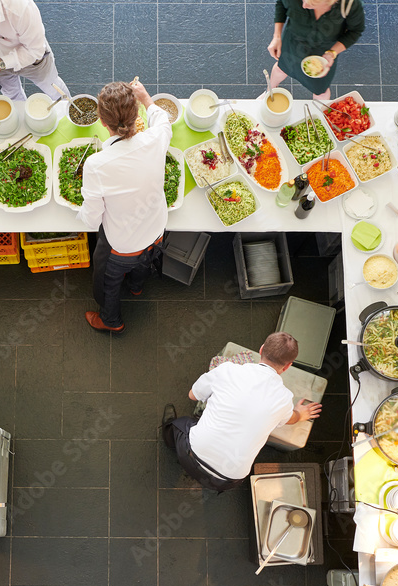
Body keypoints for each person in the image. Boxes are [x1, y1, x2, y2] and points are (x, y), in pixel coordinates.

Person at [162, 333, 323, 492]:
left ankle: (168, 436)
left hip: (190, 454)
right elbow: (292, 418)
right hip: (227, 480)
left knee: (181, 423)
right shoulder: (285, 398)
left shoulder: (227, 370)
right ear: (288, 366)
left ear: (261, 350)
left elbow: (192, 395)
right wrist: (301, 414)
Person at [78, 80, 172, 332]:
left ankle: (111, 321)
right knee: (144, 263)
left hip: (122, 247)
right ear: (137, 115)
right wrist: (145, 98)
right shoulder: (155, 139)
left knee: (108, 281)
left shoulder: (96, 164)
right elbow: (163, 119)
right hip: (156, 233)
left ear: (102, 121)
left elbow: (92, 219)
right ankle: (136, 287)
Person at [266, 0, 365, 100]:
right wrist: (277, 36)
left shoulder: (349, 4)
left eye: (312, 4)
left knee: (321, 91)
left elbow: (355, 31)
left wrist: (332, 53)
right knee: (281, 68)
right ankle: (269, 91)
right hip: (293, 43)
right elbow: (281, 4)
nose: (304, 5)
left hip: (323, 52)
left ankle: (318, 111)